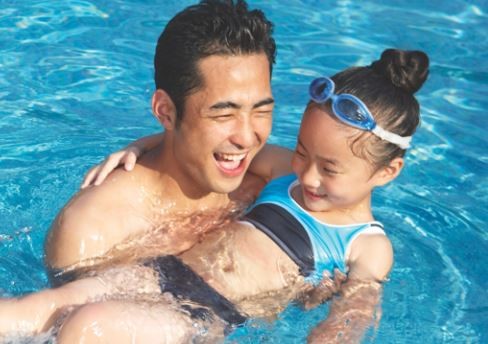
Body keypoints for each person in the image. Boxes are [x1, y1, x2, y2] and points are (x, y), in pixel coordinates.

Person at [0, 49, 430, 343]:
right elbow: (212, 147)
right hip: (162, 271)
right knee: (41, 307)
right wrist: (141, 145)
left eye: (330, 168)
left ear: (388, 171)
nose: (309, 175)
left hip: (208, 312)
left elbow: (350, 320)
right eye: (302, 152)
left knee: (92, 325)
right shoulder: (285, 171)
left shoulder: (367, 246)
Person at [44, 0, 277, 282]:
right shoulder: (93, 229)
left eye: (261, 111)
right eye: (224, 114)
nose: (246, 137)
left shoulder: (265, 185)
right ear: (165, 111)